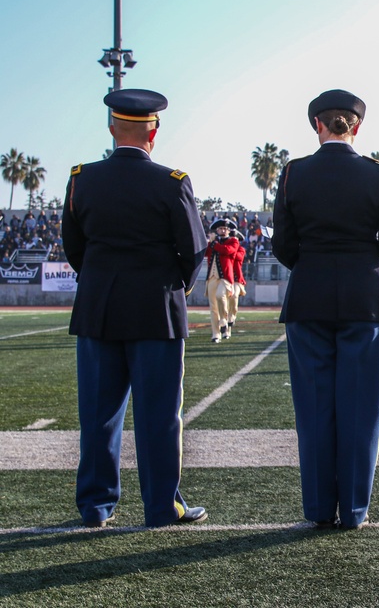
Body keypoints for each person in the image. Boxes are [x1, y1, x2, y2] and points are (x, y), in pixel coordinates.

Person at [61, 88, 208, 528]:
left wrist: (103, 279)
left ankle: (95, 506)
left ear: (111, 127)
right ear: (154, 132)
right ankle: (162, 507)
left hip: (98, 309)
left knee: (99, 414)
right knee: (159, 415)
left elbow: (74, 247)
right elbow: (194, 249)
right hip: (156, 310)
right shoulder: (172, 181)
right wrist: (173, 286)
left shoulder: (81, 178)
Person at [271, 89, 379, 530]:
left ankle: (317, 510)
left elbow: (283, 246)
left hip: (308, 296)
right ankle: (353, 511)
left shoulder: (294, 174)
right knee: (360, 411)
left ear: (318, 125)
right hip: (366, 299)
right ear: (356, 126)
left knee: (313, 411)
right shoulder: (378, 174)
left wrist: (313, 265)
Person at [205, 218, 240, 343]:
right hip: (211, 277)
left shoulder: (233, 241)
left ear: (229, 230)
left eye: (225, 228)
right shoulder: (213, 242)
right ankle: (216, 334)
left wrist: (215, 244)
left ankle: (224, 320)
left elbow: (228, 251)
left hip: (225, 277)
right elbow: (205, 252)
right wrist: (210, 241)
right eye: (220, 229)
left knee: (221, 296)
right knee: (213, 308)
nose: (222, 230)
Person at [228, 230, 247, 331]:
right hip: (227, 278)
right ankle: (226, 328)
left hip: (236, 279)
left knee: (234, 296)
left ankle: (232, 317)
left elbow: (237, 257)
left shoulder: (241, 250)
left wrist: (232, 248)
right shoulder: (228, 248)